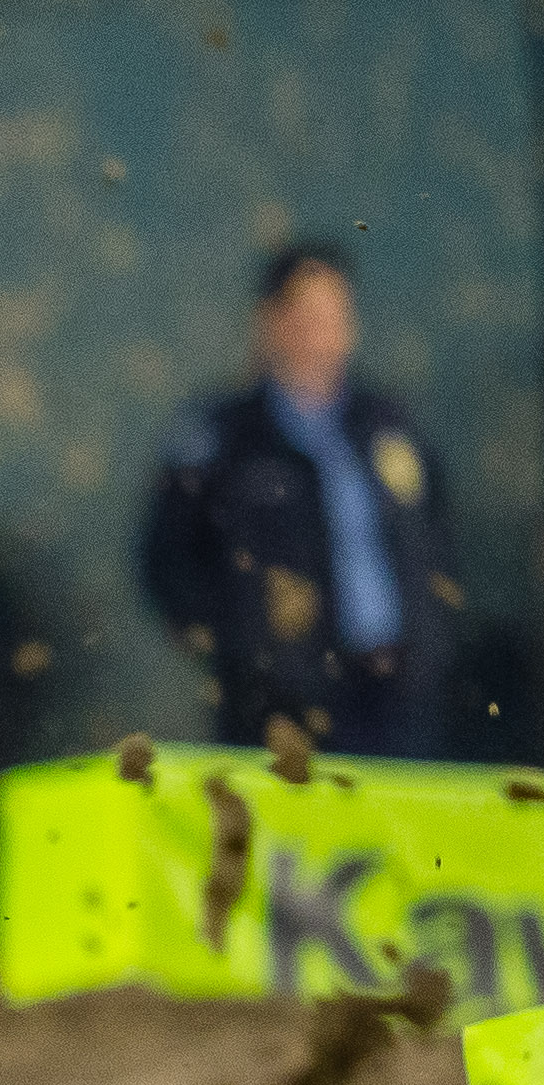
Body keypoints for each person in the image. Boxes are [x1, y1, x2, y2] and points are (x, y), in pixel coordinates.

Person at [140, 242, 451, 759]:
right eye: (307, 315)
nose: (323, 332)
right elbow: (167, 562)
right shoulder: (223, 437)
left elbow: (437, 545)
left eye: (336, 315)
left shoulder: (389, 427)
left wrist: (431, 647)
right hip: (276, 710)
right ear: (271, 321)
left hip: (397, 697)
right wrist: (245, 649)